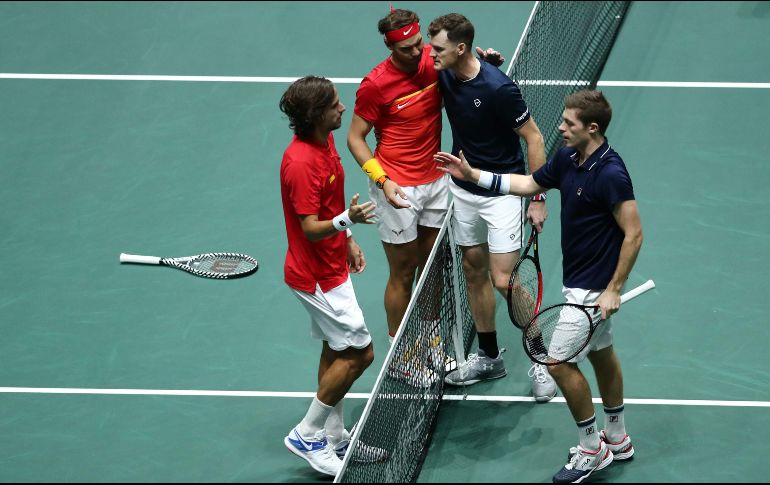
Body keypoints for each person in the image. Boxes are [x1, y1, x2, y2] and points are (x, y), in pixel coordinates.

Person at [435, 89, 643, 483]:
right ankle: (616, 437)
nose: (560, 128)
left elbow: (633, 235)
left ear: (592, 128)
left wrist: (614, 287)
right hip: (578, 281)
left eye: (569, 123)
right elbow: (529, 185)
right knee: (601, 355)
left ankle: (591, 449)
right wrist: (473, 175)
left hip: (592, 290)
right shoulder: (567, 157)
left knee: (557, 363)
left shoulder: (611, 173)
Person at [346, 7, 505, 383]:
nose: (418, 54)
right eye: (407, 49)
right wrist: (383, 181)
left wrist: (486, 63)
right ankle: (402, 354)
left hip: (435, 179)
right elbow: (355, 138)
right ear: (389, 47)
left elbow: (464, 68)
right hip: (395, 185)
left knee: (433, 266)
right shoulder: (375, 85)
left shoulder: (432, 63)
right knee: (404, 271)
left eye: (420, 45)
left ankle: (431, 342)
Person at [427, 13, 557, 401]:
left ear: (460, 48)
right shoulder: (446, 72)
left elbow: (533, 138)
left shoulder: (500, 89)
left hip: (502, 193)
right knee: (472, 270)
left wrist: (537, 197)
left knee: (504, 280)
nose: (431, 55)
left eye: (438, 48)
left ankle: (541, 359)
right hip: (462, 189)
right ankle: (488, 357)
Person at [279, 76, 384, 477]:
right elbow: (309, 225)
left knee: (336, 350)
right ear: (317, 114)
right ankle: (307, 434)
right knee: (361, 353)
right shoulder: (302, 163)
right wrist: (346, 221)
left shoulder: (325, 141)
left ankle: (335, 437)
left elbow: (331, 203)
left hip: (332, 265)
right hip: (314, 276)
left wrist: (349, 238)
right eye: (336, 105)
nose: (343, 109)